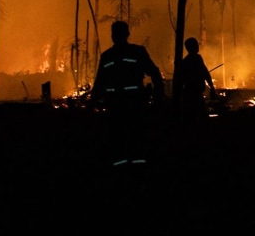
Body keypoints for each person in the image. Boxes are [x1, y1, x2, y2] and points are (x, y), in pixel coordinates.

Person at [91, 20, 164, 165]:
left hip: (132, 104)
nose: (115, 36)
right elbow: (99, 81)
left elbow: (154, 72)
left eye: (118, 33)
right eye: (114, 33)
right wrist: (93, 102)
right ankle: (124, 171)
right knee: (119, 139)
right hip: (117, 105)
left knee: (134, 137)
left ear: (126, 34)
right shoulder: (107, 56)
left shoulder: (137, 52)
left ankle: (135, 171)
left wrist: (158, 96)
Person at [178, 36, 216, 121]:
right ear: (192, 47)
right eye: (196, 45)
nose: (198, 46)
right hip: (194, 96)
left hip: (189, 95)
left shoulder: (185, 62)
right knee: (199, 118)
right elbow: (206, 73)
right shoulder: (197, 58)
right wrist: (212, 88)